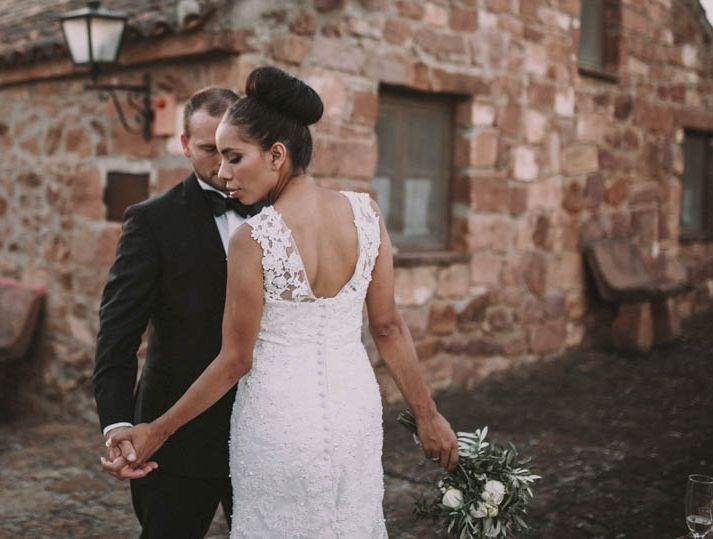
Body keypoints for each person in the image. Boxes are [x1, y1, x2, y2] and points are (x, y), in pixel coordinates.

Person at [111, 66, 459, 537]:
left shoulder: (254, 238)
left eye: (234, 157)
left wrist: (156, 430)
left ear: (276, 154)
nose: (224, 172)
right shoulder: (366, 212)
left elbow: (235, 361)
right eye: (219, 156)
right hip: (353, 415)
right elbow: (389, 329)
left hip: (276, 425)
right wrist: (428, 416)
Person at [93, 87, 259, 538]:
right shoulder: (151, 221)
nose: (221, 163)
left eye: (232, 151)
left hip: (266, 429)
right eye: (208, 149)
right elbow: (118, 332)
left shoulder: (280, 212)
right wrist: (118, 424)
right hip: (175, 436)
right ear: (184, 144)